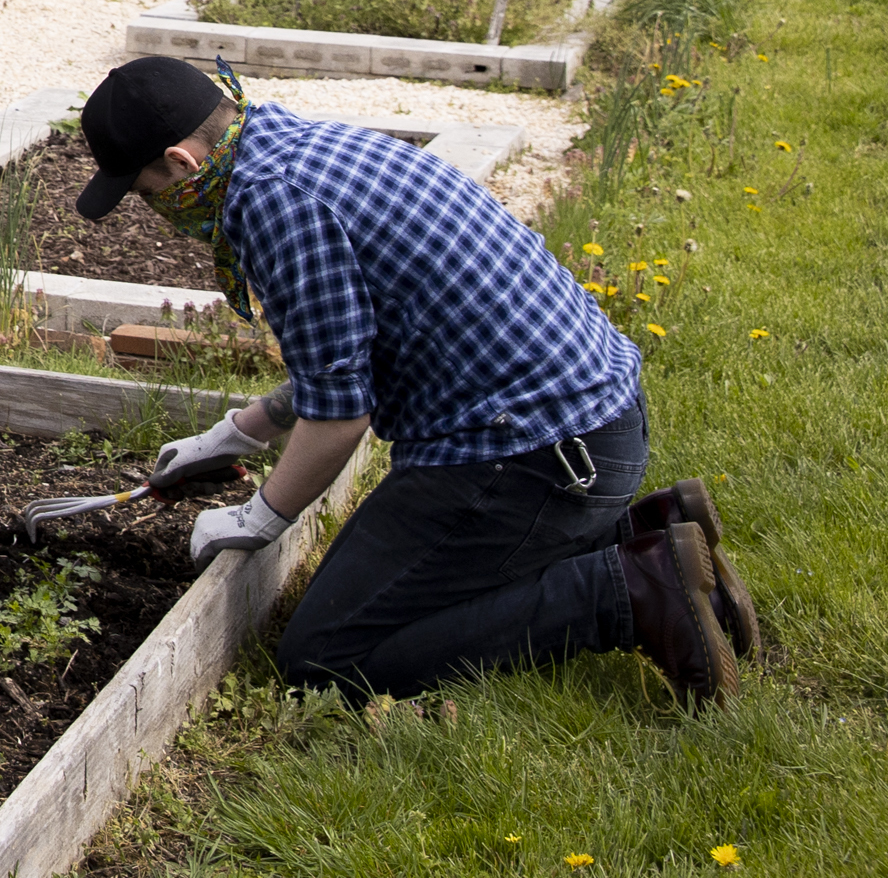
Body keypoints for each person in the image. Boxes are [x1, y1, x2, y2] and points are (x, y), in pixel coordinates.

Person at [77, 54, 753, 704]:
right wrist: (235, 435)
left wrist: (259, 518)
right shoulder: (286, 144)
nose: (152, 211)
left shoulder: (271, 203)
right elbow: (345, 354)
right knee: (398, 597)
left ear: (181, 163)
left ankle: (629, 588)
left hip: (534, 457)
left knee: (327, 655)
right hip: (588, 424)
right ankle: (651, 531)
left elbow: (342, 414)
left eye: (145, 193)